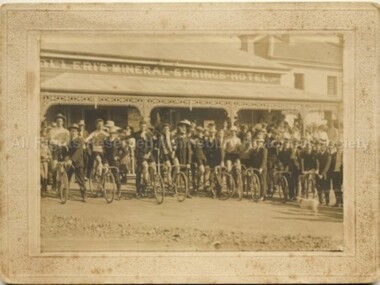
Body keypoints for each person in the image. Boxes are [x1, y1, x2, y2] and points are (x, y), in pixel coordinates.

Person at [49, 113, 70, 191]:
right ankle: (54, 182)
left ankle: (65, 182)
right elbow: (51, 140)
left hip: (64, 149)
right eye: (58, 121)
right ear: (56, 121)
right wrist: (58, 142)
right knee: (54, 166)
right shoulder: (52, 130)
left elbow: (67, 141)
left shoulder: (66, 131)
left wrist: (62, 143)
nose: (59, 122)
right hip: (55, 150)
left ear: (63, 122)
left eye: (61, 121)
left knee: (67, 164)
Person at [65, 124, 87, 202]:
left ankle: (84, 195)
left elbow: (78, 152)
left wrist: (72, 160)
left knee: (80, 179)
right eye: (71, 131)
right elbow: (68, 152)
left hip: (78, 162)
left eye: (75, 131)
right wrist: (67, 158)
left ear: (77, 132)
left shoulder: (80, 140)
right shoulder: (70, 141)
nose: (73, 132)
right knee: (67, 177)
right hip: (70, 162)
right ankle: (65, 193)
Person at [134, 120, 154, 198]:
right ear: (140, 126)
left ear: (146, 127)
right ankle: (139, 189)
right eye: (141, 126)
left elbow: (151, 147)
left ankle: (148, 184)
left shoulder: (149, 135)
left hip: (148, 154)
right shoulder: (137, 135)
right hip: (140, 154)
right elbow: (136, 145)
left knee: (153, 167)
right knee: (142, 168)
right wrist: (141, 137)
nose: (143, 127)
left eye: (144, 126)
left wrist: (148, 154)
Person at [173, 120, 192, 197]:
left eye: (185, 128)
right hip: (177, 159)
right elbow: (174, 150)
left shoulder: (187, 140)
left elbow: (189, 152)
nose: (184, 129)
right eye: (182, 127)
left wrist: (188, 163)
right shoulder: (176, 139)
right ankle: (174, 190)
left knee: (186, 177)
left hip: (184, 160)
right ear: (179, 128)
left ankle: (187, 192)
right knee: (176, 175)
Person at [204, 124, 223, 193]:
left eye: (213, 132)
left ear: (215, 133)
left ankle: (219, 190)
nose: (212, 133)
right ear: (209, 133)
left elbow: (220, 151)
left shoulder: (217, 140)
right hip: (208, 160)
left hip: (216, 159)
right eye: (211, 132)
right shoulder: (206, 140)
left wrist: (221, 161)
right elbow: (205, 151)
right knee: (210, 174)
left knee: (217, 174)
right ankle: (211, 189)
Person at [104, 126, 122, 195]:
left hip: (114, 160)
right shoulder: (106, 141)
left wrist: (118, 157)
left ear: (115, 134)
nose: (112, 134)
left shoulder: (118, 141)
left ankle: (119, 190)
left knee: (116, 175)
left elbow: (123, 151)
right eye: (111, 133)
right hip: (107, 159)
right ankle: (103, 189)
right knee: (104, 171)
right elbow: (104, 150)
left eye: (113, 133)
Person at [316, 139, 332, 205]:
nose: (322, 147)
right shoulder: (318, 154)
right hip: (318, 173)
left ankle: (327, 201)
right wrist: (317, 170)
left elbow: (327, 166)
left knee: (326, 188)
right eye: (321, 145)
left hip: (326, 174)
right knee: (318, 187)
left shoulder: (328, 155)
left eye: (323, 145)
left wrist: (322, 174)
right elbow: (317, 163)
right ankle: (321, 201)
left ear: (325, 147)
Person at [329, 141, 343, 207]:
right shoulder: (333, 154)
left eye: (339, 146)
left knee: (340, 188)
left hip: (341, 173)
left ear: (341, 147)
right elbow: (331, 165)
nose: (338, 147)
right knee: (335, 187)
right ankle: (337, 202)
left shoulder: (344, 154)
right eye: (337, 146)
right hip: (334, 173)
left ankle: (342, 202)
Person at [40, 129, 51, 193]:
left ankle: (45, 187)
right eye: (41, 140)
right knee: (42, 174)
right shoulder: (37, 147)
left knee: (46, 174)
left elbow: (49, 154)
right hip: (39, 162)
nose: (42, 141)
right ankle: (42, 187)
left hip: (45, 162)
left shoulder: (46, 147)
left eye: (43, 140)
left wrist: (48, 157)